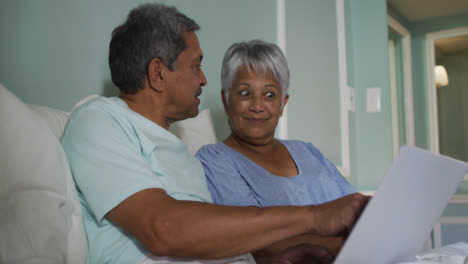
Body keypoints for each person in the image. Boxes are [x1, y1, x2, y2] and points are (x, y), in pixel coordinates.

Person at [61, 3, 369, 264]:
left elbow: (213, 238)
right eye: (196, 66)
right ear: (157, 74)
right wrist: (314, 217)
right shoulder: (98, 120)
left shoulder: (181, 152)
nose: (204, 79)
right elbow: (163, 229)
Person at [195, 40, 356, 262]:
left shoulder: (308, 152)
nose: (257, 105)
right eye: (244, 93)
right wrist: (346, 246)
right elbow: (254, 241)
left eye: (269, 95)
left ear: (283, 103)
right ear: (225, 100)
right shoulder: (214, 160)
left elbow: (354, 210)